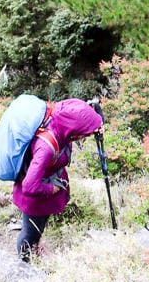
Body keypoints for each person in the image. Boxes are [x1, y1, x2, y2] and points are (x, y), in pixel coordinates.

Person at [13, 98, 104, 262]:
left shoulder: (61, 126)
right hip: (37, 197)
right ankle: (23, 263)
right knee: (29, 232)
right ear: (75, 131)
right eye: (85, 133)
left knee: (39, 227)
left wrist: (95, 125)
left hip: (50, 183)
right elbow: (28, 186)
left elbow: (83, 118)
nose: (86, 136)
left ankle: (35, 247)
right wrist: (51, 190)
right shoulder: (46, 148)